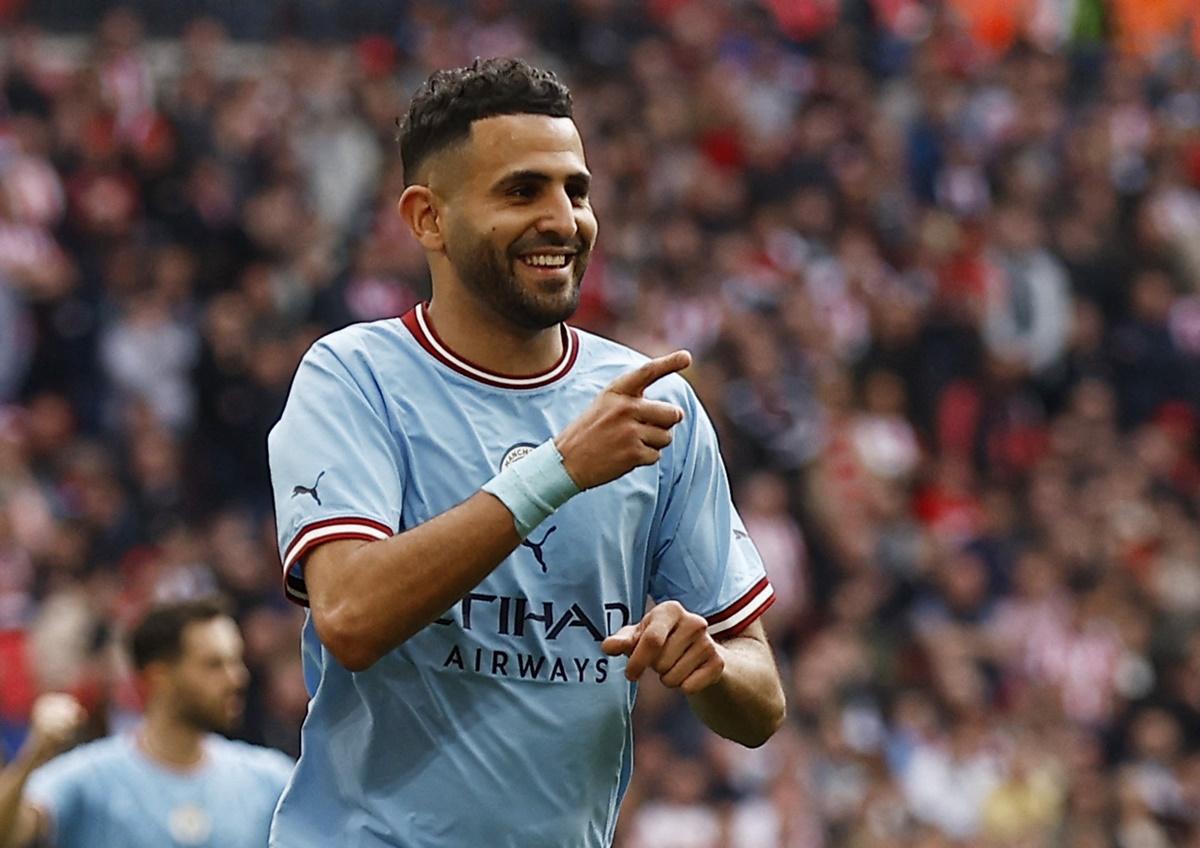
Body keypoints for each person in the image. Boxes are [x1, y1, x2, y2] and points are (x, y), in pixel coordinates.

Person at [267, 57, 786, 847]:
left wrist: (708, 664)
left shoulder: (653, 400)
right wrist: (558, 470)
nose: (563, 218)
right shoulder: (355, 378)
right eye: (522, 191)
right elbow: (350, 615)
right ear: (427, 218)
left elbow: (762, 701)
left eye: (575, 190)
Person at [0, 598, 294, 848]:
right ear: (159, 677)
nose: (237, 678)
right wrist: (34, 754)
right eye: (214, 665)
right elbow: (8, 835)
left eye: (236, 661)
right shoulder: (90, 779)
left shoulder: (269, 779)